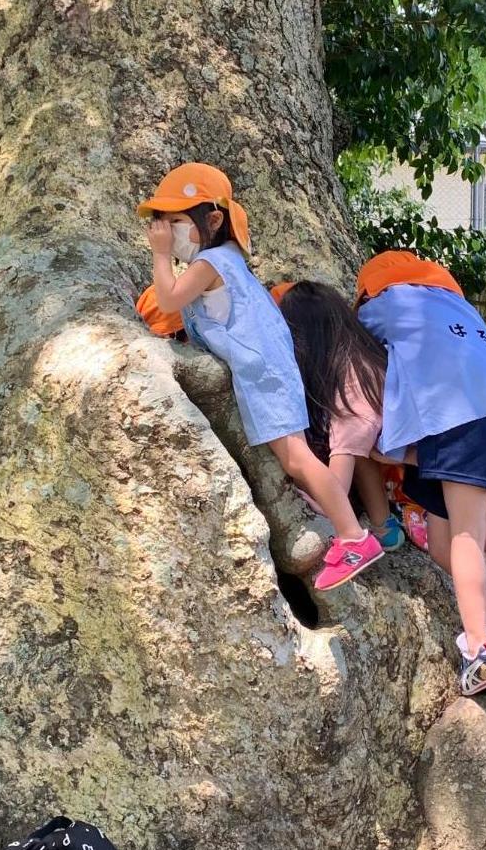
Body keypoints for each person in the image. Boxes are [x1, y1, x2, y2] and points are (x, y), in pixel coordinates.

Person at [137, 163, 383, 591]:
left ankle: (353, 536)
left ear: (213, 221)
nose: (169, 231)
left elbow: (169, 297)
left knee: (297, 459)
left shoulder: (212, 261)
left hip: (264, 373)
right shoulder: (223, 260)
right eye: (165, 223)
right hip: (264, 370)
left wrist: (159, 255)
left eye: (177, 222)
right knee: (294, 459)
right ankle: (350, 532)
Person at [356, 250, 486, 695]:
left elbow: (353, 343)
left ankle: (480, 648)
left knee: (466, 537)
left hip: (462, 422)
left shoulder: (384, 302)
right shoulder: (460, 308)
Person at [274, 279, 406, 551]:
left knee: (350, 453)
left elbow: (344, 456)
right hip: (387, 450)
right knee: (362, 453)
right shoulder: (359, 355)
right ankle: (384, 523)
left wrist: (324, 502)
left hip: (401, 460)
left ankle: (383, 528)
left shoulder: (352, 385)